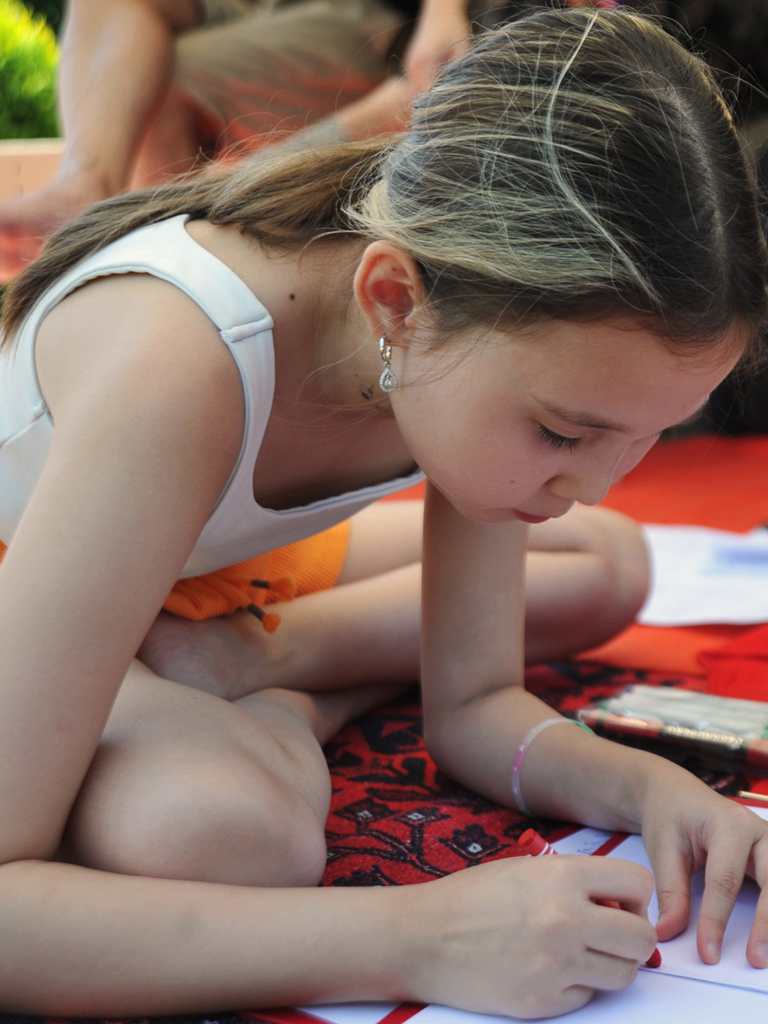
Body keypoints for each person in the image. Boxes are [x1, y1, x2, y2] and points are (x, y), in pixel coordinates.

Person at [1, 7, 768, 1019]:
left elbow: (477, 704)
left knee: (609, 558)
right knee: (218, 836)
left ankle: (256, 668)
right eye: (566, 434)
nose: (594, 479)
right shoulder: (178, 369)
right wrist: (424, 936)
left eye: (649, 436)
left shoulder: (460, 338)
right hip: (41, 558)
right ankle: (277, 693)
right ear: (394, 300)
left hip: (201, 565)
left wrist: (653, 789)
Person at [0, 0, 475, 283]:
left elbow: (429, 82)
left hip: (400, 28)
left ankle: (161, 248)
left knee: (172, 81)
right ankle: (92, 189)